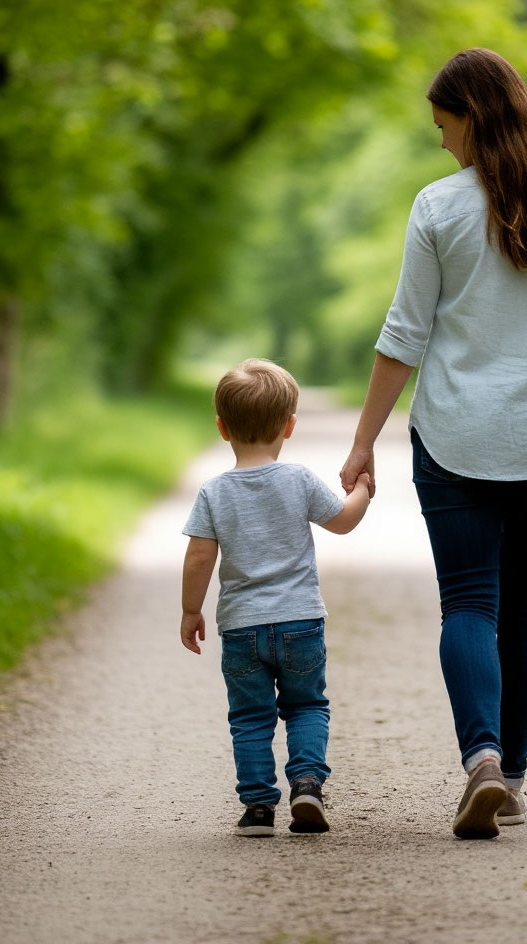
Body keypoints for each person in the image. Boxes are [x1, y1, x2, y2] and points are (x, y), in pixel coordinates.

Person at [339, 48, 527, 840]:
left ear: (474, 116)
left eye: (444, 125)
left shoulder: (438, 208)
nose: (441, 143)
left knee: (469, 601)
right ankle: (518, 778)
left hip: (456, 435)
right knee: (525, 607)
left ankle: (483, 763)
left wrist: (364, 441)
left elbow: (403, 336)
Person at [181, 358, 372, 837]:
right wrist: (364, 489)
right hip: (300, 622)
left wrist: (190, 610)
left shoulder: (213, 493)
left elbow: (199, 558)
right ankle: (307, 784)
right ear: (289, 425)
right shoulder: (298, 480)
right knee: (306, 705)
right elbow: (343, 520)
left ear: (222, 428)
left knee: (249, 716)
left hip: (242, 628)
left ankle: (258, 809)